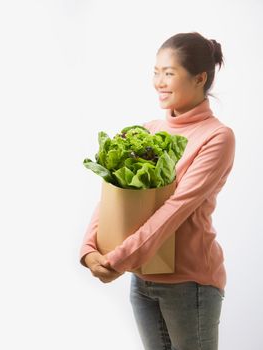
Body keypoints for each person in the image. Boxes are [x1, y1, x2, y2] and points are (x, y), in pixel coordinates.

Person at [79, 31, 236, 350]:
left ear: (199, 78)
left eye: (169, 73)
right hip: (142, 278)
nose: (159, 82)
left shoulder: (217, 137)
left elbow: (175, 210)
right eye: (155, 72)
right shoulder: (148, 130)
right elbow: (112, 194)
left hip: (189, 284)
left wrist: (117, 260)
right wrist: (89, 249)